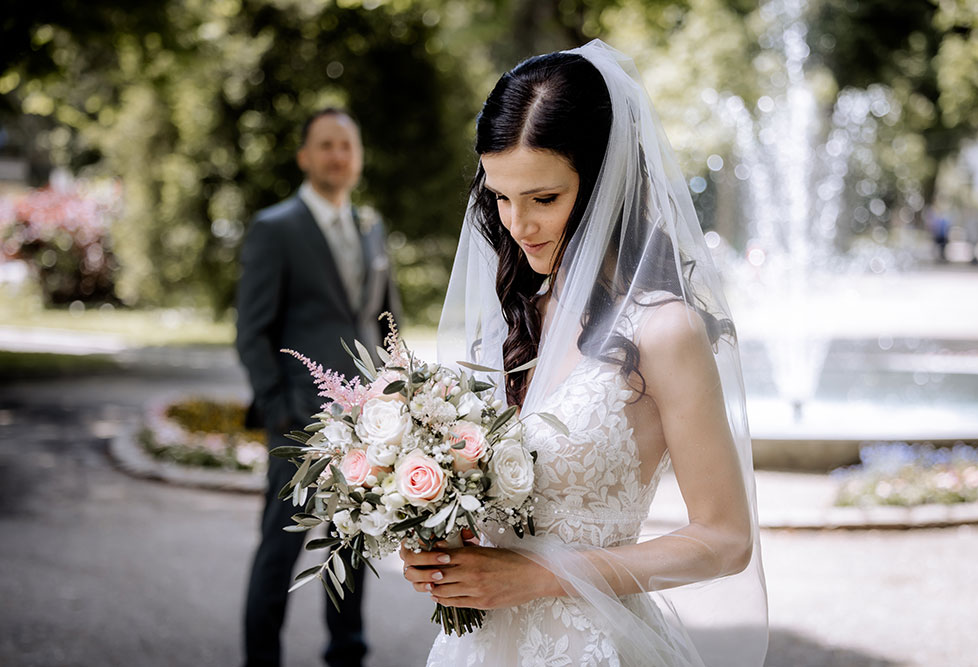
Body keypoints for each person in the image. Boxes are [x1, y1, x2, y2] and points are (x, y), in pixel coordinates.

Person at [404, 41, 768, 666]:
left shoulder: (664, 329)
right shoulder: (514, 316)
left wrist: (543, 575)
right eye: (501, 197)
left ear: (606, 184)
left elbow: (726, 539)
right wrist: (437, 543)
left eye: (544, 198)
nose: (518, 225)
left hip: (591, 646)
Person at [236, 107, 400, 667]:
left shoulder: (371, 226)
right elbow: (251, 332)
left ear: (358, 157)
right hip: (297, 423)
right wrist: (281, 407)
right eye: (326, 145)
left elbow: (385, 323)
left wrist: (395, 396)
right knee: (279, 552)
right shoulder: (275, 228)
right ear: (305, 156)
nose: (338, 156)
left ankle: (347, 652)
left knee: (352, 545)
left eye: (347, 146)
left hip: (365, 425)